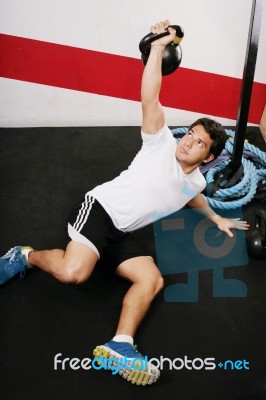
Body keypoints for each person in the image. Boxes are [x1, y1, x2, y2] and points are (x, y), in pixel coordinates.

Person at [0, 20, 249, 386]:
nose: (188, 142)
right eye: (191, 134)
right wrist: (156, 49)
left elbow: (190, 193)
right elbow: (150, 96)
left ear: (209, 157)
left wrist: (215, 218)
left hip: (120, 232)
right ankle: (23, 256)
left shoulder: (195, 178)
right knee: (74, 273)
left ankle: (120, 345)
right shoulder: (159, 143)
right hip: (98, 211)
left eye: (198, 143)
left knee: (151, 279)